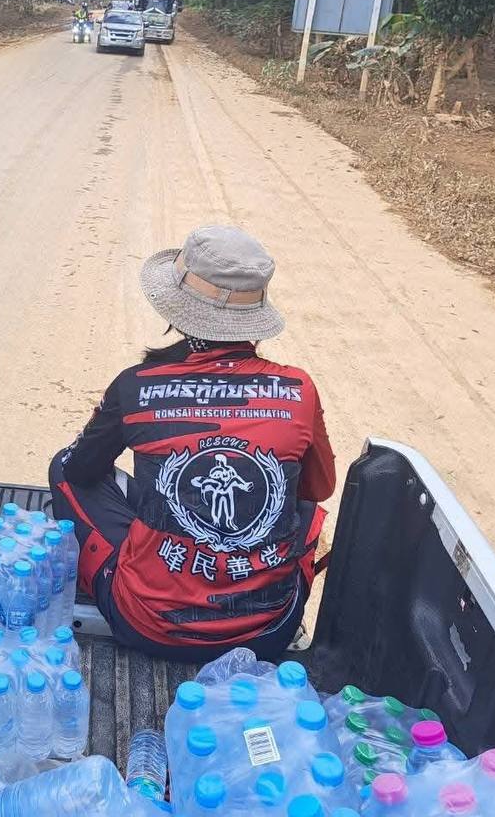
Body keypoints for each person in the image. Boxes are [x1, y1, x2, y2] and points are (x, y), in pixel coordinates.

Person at [49, 226, 336, 662]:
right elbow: (317, 490)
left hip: (148, 624)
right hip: (268, 630)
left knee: (63, 466)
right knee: (300, 506)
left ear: (176, 312)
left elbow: (82, 472)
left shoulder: (137, 386)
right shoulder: (298, 387)